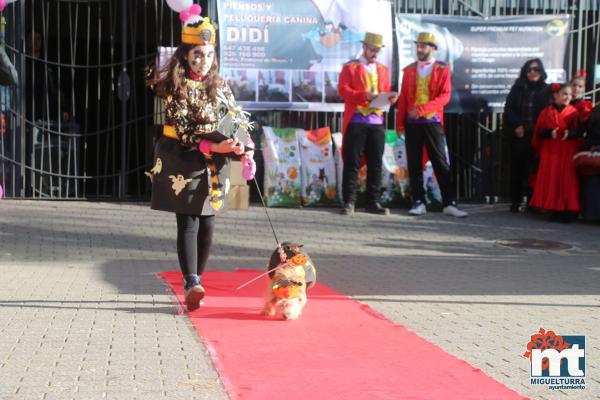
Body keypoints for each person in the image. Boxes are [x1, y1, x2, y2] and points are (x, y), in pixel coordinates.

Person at [146, 8, 254, 311]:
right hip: (186, 161)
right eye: (197, 54)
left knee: (208, 222)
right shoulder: (176, 87)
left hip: (216, 166)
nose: (203, 61)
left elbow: (236, 120)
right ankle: (191, 280)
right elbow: (181, 130)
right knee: (188, 221)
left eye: (208, 55)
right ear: (185, 54)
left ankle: (198, 281)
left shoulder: (220, 86)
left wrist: (247, 149)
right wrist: (213, 146)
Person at [396, 32, 467, 218]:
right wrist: (399, 124)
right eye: (418, 46)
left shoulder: (442, 69)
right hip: (412, 124)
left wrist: (421, 109)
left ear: (433, 48)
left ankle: (449, 203)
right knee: (414, 162)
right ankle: (418, 201)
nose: (419, 49)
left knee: (440, 162)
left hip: (432, 121)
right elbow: (403, 99)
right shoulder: (409, 70)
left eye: (423, 46)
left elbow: (445, 96)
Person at [338, 32, 396, 216]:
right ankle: (349, 202)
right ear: (364, 47)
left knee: (376, 163)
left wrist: (390, 99)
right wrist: (364, 96)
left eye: (377, 50)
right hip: (357, 120)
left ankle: (373, 202)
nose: (375, 53)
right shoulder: (350, 67)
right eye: (372, 49)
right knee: (352, 162)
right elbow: (343, 90)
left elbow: (385, 92)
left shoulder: (383, 70)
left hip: (377, 122)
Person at [503, 58, 549, 212]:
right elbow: (509, 108)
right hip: (520, 134)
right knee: (517, 169)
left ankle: (532, 202)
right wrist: (517, 125)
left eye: (535, 69)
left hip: (537, 135)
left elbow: (548, 112)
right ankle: (515, 202)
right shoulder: (517, 88)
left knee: (534, 170)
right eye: (529, 70)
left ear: (541, 72)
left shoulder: (546, 89)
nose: (532, 72)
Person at [529, 83, 581, 221]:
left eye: (570, 95)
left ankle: (566, 209)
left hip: (567, 149)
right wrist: (548, 133)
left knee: (566, 180)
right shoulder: (546, 112)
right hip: (550, 150)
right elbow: (538, 132)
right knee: (550, 179)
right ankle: (549, 208)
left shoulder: (574, 112)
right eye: (564, 94)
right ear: (555, 95)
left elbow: (580, 132)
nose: (568, 97)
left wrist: (569, 134)